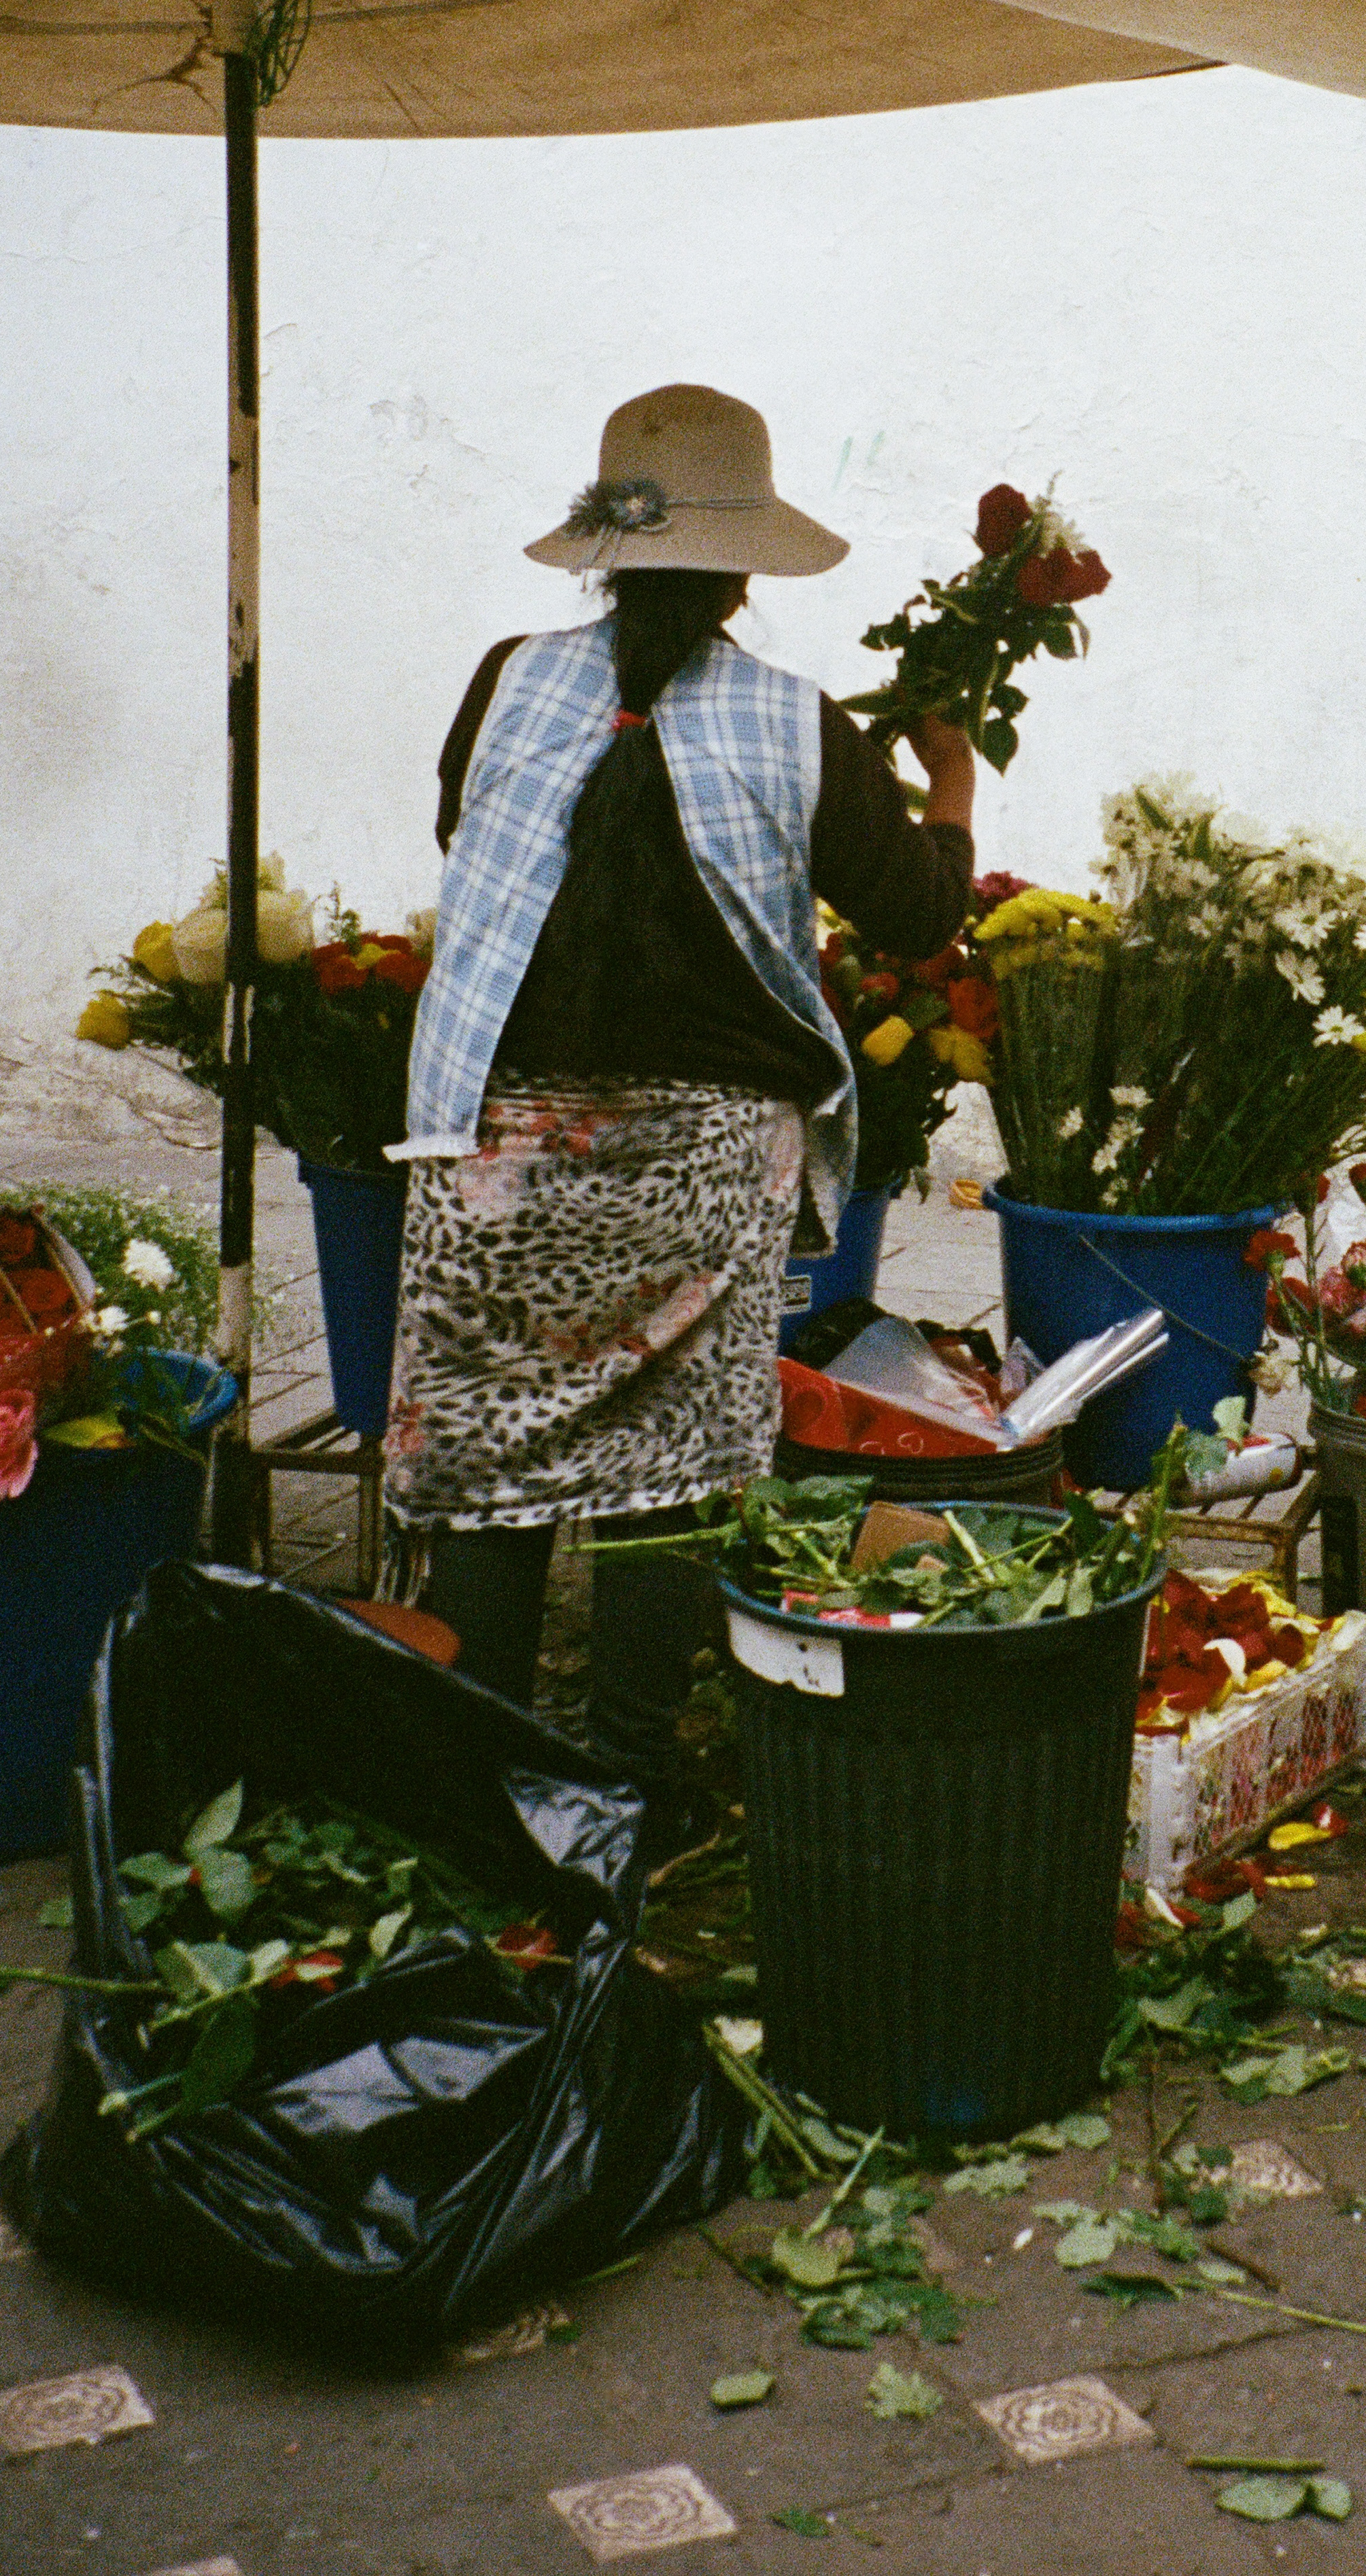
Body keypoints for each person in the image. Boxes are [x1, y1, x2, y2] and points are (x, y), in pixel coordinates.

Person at [389, 382, 976, 1793]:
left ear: (603, 549)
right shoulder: (795, 721)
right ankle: (628, 1785)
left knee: (494, 1446)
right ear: (741, 572)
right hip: (705, 1163)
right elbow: (915, 916)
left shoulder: (507, 677)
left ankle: (482, 1777)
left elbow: (471, 829)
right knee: (668, 1463)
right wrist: (948, 779)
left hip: (506, 1143)